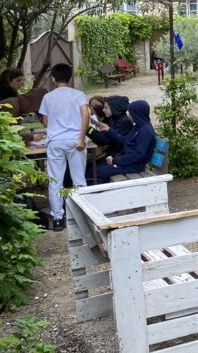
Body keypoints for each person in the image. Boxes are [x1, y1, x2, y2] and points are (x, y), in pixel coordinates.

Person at [38, 64, 89, 231]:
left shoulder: (48, 97)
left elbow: (45, 121)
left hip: (55, 142)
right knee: (78, 179)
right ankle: (83, 216)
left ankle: (58, 218)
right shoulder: (79, 95)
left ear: (53, 79)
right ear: (70, 77)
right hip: (75, 141)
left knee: (55, 180)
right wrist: (81, 138)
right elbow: (86, 115)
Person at [92, 101, 158, 183]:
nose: (129, 116)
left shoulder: (146, 131)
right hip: (128, 162)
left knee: (99, 171)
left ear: (137, 114)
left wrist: (115, 160)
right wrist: (109, 130)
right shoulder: (138, 126)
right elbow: (125, 141)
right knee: (95, 168)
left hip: (134, 166)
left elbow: (138, 155)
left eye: (130, 113)